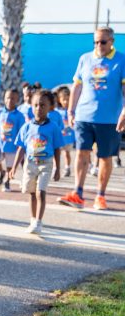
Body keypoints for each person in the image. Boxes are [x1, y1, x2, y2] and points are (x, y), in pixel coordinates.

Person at [59, 27, 125, 211]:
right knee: (81, 152)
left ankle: (100, 196)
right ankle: (77, 193)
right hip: (83, 116)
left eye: (103, 42)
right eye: (96, 42)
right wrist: (71, 111)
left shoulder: (121, 60)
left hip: (109, 119)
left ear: (111, 41)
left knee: (104, 157)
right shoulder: (85, 59)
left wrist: (123, 113)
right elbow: (77, 86)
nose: (99, 45)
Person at [10, 88, 63, 234]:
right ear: (31, 106)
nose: (39, 108)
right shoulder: (27, 127)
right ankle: (33, 220)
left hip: (46, 164)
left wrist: (58, 168)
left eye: (43, 105)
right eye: (36, 105)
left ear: (50, 107)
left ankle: (39, 221)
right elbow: (21, 148)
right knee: (32, 193)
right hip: (30, 164)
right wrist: (14, 167)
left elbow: (58, 148)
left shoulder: (54, 127)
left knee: (41, 192)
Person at [0, 87, 24, 190]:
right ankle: (2, 172)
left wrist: (20, 145)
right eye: (8, 98)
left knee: (10, 165)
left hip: (12, 146)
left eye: (13, 98)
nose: (10, 100)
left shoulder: (19, 116)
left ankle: (7, 181)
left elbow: (21, 131)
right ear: (4, 98)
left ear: (17, 100)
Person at [54, 84, 75, 178]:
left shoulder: (72, 111)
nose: (66, 102)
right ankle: (55, 167)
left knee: (67, 153)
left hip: (68, 138)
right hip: (59, 137)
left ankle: (67, 168)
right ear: (59, 100)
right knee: (57, 153)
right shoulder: (57, 112)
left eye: (68, 99)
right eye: (64, 99)